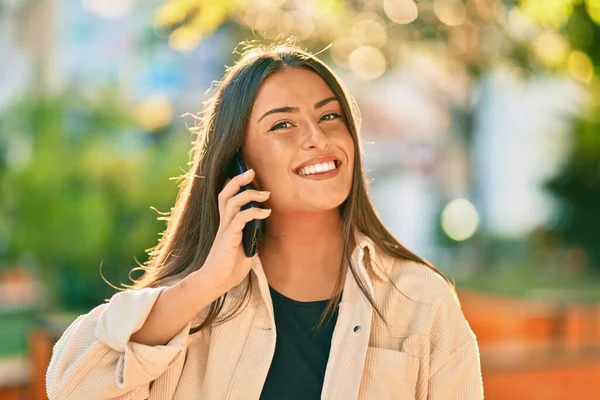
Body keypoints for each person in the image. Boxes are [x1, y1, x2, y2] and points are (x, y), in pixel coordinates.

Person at [46, 41, 484, 400]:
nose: (317, 138)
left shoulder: (420, 300)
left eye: (329, 116)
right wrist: (205, 283)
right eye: (283, 126)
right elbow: (72, 389)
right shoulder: (195, 307)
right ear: (238, 163)